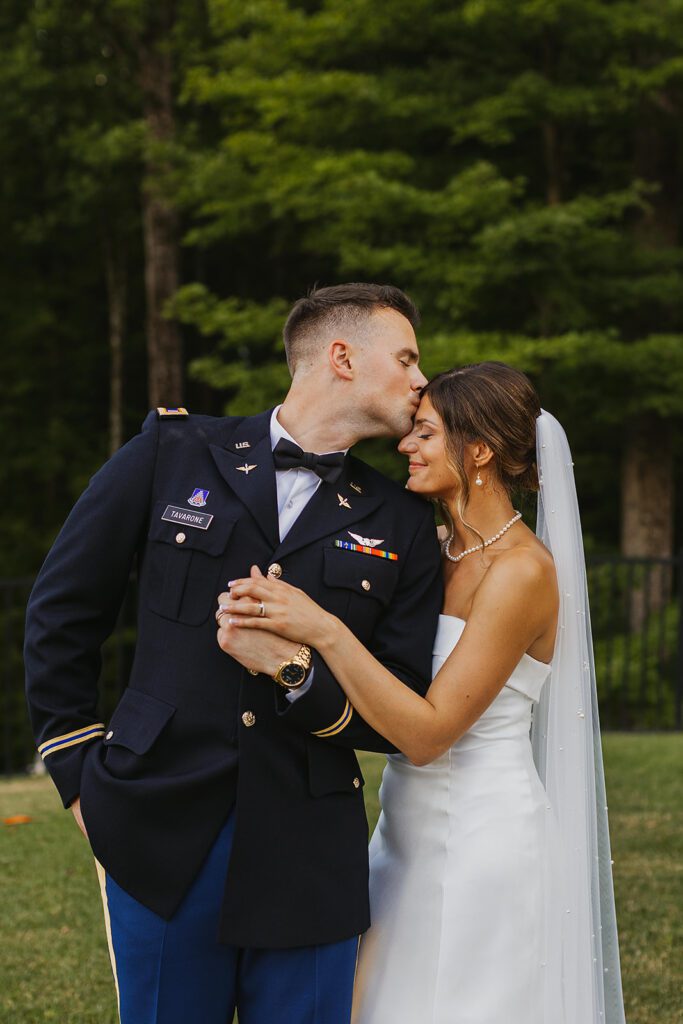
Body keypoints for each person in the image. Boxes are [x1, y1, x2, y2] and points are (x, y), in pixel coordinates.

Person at [24, 283, 444, 1024]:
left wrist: (297, 672)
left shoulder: (403, 522)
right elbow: (63, 608)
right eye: (406, 358)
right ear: (341, 356)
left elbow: (399, 705)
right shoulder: (172, 449)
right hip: (156, 823)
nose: (420, 381)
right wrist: (78, 776)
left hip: (308, 849)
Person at [219, 361, 627, 1024]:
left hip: (480, 839)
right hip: (403, 827)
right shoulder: (435, 553)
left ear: (480, 450)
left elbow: (429, 734)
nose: (404, 445)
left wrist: (319, 629)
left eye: (425, 433)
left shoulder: (522, 572)